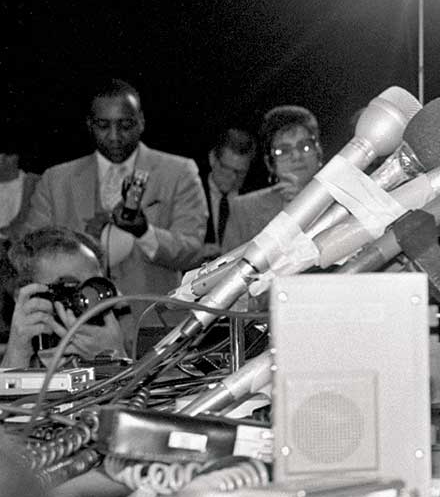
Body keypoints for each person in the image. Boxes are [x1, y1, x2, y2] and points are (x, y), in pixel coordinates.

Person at [16, 79, 207, 309]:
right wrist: (78, 244)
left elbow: (193, 251)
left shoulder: (179, 172)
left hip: (153, 319)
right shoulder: (55, 179)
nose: (115, 137)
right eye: (103, 126)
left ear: (142, 122)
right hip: (74, 321)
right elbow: (28, 253)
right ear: (89, 124)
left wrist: (144, 232)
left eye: (126, 125)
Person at [2, 227, 127, 369]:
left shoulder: (116, 335)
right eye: (70, 287)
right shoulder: (17, 352)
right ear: (25, 296)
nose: (86, 298)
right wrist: (17, 354)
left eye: (93, 285)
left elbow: (135, 388)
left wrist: (116, 359)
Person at [221, 105, 322, 251]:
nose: (296, 156)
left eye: (305, 146)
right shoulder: (244, 208)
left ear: (318, 151)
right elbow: (228, 268)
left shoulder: (341, 199)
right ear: (269, 163)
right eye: (283, 151)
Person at [199, 126, 256, 258]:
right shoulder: (189, 192)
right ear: (213, 159)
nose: (233, 178)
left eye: (241, 172)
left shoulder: (254, 199)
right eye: (226, 168)